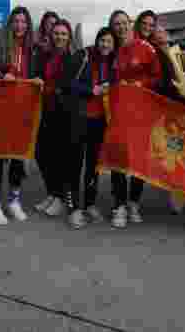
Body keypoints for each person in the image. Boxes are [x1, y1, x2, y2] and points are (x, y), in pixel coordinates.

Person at [58, 26, 117, 229]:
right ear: (97, 39)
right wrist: (91, 90)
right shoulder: (83, 55)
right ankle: (74, 208)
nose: (105, 45)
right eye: (103, 40)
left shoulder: (113, 62)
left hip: (100, 121)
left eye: (110, 42)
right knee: (75, 164)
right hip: (79, 118)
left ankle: (90, 204)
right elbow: (65, 83)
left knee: (94, 166)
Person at [108, 10, 162, 228]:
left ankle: (133, 203)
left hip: (141, 112)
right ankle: (119, 205)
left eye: (123, 23)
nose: (120, 27)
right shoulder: (109, 47)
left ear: (130, 24)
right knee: (118, 157)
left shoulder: (146, 48)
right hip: (117, 112)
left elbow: (158, 77)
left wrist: (141, 85)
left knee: (139, 158)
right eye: (116, 24)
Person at [0, 6, 35, 223]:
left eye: (23, 22)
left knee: (17, 157)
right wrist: (1, 75)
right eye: (16, 21)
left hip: (23, 108)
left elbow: (39, 74)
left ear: (28, 25)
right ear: (10, 23)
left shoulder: (33, 49)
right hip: (0, 107)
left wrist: (38, 79)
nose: (19, 25)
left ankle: (14, 200)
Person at [32, 20, 75, 217]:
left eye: (64, 34)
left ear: (69, 37)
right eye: (57, 33)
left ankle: (59, 197)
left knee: (59, 157)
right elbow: (37, 75)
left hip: (63, 113)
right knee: (41, 153)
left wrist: (52, 88)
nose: (60, 37)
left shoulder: (73, 58)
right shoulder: (44, 56)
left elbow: (68, 86)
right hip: (44, 110)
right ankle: (51, 192)